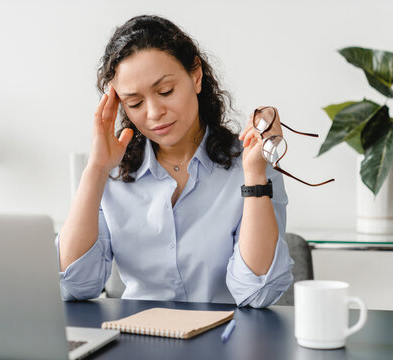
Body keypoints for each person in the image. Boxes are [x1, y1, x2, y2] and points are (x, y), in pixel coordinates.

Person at [56, 15, 293, 308]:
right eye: (135, 103)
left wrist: (255, 175)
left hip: (226, 342)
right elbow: (75, 286)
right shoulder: (112, 172)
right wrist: (96, 170)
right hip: (139, 343)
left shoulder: (250, 165)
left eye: (165, 91)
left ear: (195, 75)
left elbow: (257, 293)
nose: (154, 112)